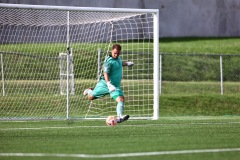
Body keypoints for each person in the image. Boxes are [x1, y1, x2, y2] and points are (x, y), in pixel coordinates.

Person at [83, 44, 134, 123]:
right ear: (112, 51)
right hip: (105, 84)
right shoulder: (108, 61)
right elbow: (106, 73)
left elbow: (120, 63)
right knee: (90, 97)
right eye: (115, 53)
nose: (116, 55)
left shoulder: (118, 58)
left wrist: (127, 63)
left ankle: (120, 117)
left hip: (115, 86)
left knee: (121, 99)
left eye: (118, 53)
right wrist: (108, 84)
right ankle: (89, 90)